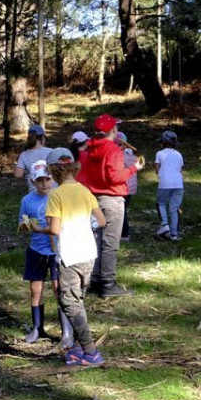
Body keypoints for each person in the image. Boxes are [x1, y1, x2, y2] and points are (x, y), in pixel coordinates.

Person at [44, 147, 107, 367]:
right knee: (78, 299)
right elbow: (100, 221)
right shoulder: (84, 190)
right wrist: (82, 226)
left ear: (53, 170)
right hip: (88, 253)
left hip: (70, 255)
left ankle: (91, 352)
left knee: (69, 302)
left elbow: (54, 229)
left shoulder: (56, 194)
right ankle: (80, 348)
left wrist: (34, 229)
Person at [78, 114, 143, 298]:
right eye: (115, 127)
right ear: (113, 130)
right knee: (110, 243)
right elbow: (115, 177)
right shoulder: (113, 150)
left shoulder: (90, 146)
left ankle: (95, 278)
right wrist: (133, 169)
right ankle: (108, 283)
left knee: (97, 240)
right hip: (112, 198)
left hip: (93, 198)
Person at [17, 160, 64, 345]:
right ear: (32, 181)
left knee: (57, 288)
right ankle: (38, 327)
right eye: (40, 180)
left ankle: (65, 329)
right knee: (35, 289)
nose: (44, 183)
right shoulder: (27, 200)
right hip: (36, 250)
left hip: (56, 251)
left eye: (47, 179)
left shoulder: (57, 196)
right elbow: (22, 221)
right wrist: (25, 225)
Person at [154, 130, 184, 241]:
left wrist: (160, 171)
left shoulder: (159, 153)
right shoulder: (178, 154)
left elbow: (157, 169)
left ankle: (165, 225)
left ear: (163, 142)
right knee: (174, 208)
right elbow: (180, 169)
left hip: (165, 183)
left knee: (161, 203)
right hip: (178, 184)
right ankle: (174, 234)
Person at [14, 125, 52, 193]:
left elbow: (18, 174)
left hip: (34, 191)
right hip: (51, 191)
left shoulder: (24, 155)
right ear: (42, 138)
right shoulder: (52, 152)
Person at [117, 132, 138, 242]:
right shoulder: (132, 155)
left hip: (124, 187)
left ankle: (124, 234)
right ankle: (123, 233)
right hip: (131, 187)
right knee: (123, 210)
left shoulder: (121, 156)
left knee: (122, 211)